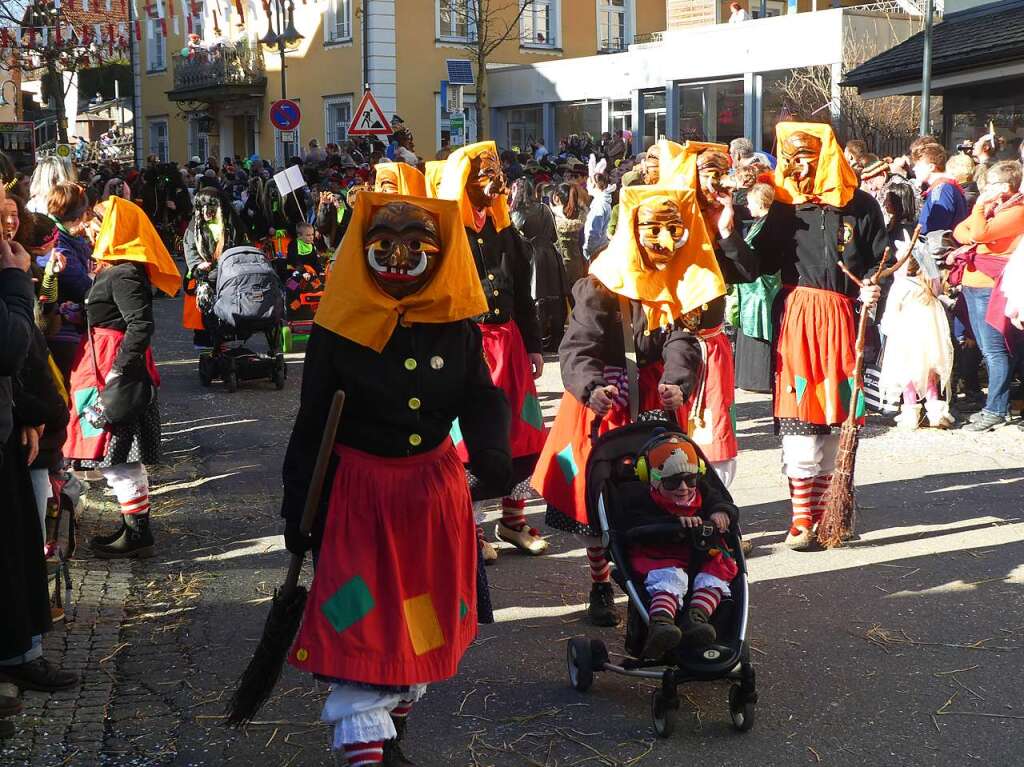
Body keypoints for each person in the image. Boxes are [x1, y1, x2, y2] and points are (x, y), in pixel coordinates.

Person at [281, 192, 511, 764]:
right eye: (385, 247)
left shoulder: (455, 325)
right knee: (360, 626)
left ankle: (391, 739)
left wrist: (491, 450)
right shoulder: (338, 327)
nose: (401, 258)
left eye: (417, 246)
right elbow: (312, 422)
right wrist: (297, 508)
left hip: (430, 496)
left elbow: (480, 398)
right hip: (359, 498)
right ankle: (365, 752)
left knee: (419, 619)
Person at [532, 185, 716, 626]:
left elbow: (681, 341)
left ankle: (654, 581)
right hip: (605, 405)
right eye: (656, 230)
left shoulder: (676, 283)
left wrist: (677, 382)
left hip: (654, 403)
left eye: (675, 230)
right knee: (600, 498)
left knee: (661, 492)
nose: (666, 242)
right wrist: (591, 386)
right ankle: (600, 584)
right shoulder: (599, 286)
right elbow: (577, 347)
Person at [745, 123, 886, 551]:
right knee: (801, 416)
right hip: (799, 319)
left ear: (826, 155)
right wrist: (729, 231)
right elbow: (753, 267)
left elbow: (880, 258)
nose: (797, 164)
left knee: (834, 420)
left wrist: (874, 285)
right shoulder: (785, 209)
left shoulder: (859, 205)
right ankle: (801, 519)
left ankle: (828, 515)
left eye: (805, 155)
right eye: (790, 157)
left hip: (844, 319)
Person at [436, 141, 549, 558]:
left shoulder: (506, 234)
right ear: (464, 183)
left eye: (497, 176)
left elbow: (522, 295)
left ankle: (513, 520)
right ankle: (472, 527)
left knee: (522, 435)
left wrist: (534, 345)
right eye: (486, 177)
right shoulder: (448, 233)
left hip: (511, 343)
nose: (496, 184)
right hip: (471, 345)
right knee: (471, 441)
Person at [63, 198, 180, 558]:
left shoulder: (124, 272)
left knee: (119, 452)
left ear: (115, 228)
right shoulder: (114, 268)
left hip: (113, 371)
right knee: (115, 451)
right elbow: (113, 316)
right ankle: (133, 528)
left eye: (96, 220)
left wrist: (120, 368)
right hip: (103, 363)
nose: (89, 226)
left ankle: (137, 533)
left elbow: (140, 325)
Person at [0, 223, 79, 700]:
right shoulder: (11, 269)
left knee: (17, 551)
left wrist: (25, 411)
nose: (6, 223)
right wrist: (15, 280)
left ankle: (19, 653)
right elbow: (11, 343)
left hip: (13, 424)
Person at [629, 433, 739, 657]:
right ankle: (661, 625)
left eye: (690, 479)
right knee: (670, 579)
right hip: (661, 555)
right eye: (672, 481)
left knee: (717, 574)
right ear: (654, 479)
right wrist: (673, 524)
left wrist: (721, 512)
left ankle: (696, 618)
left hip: (701, 554)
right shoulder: (643, 501)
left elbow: (723, 502)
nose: (683, 488)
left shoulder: (703, 492)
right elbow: (634, 529)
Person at [952, 160, 1024, 432]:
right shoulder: (997, 209)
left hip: (990, 288)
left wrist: (980, 209)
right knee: (988, 348)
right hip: (973, 284)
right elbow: (961, 231)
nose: (987, 188)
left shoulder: (1017, 210)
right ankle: (998, 404)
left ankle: (996, 409)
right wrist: (979, 234)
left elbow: (979, 231)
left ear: (1006, 186)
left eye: (992, 183)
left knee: (995, 350)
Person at [878, 241, 955, 429]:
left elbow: (891, 312)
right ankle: (936, 413)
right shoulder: (927, 287)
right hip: (929, 340)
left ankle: (911, 412)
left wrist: (887, 328)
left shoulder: (901, 286)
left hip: (906, 338)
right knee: (928, 374)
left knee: (908, 375)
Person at [42, 183, 95, 383]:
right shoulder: (58, 246)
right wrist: (91, 276)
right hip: (62, 331)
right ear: (75, 217)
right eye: (85, 216)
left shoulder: (66, 238)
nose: (86, 222)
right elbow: (85, 288)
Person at [510, 177, 569, 352]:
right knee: (554, 298)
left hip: (530, 257)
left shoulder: (517, 212)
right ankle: (555, 338)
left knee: (535, 298)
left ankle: (540, 338)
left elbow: (515, 238)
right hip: (550, 255)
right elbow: (553, 234)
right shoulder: (544, 208)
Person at [733, 182, 779, 394]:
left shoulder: (769, 224)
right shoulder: (760, 222)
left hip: (761, 288)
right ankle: (748, 377)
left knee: (760, 327)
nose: (748, 206)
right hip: (751, 288)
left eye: (751, 202)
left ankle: (760, 378)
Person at [913, 143, 968, 235]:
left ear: (931, 167)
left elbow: (937, 231)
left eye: (918, 165)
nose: (914, 169)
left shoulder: (942, 189)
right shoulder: (943, 187)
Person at [550, 182, 587, 287]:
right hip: (577, 263)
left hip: (562, 265)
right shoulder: (580, 214)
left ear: (557, 198)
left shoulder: (554, 218)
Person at [583, 172, 613, 261]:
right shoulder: (601, 202)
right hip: (600, 246)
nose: (586, 186)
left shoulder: (599, 205)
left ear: (594, 185)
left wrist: (587, 249)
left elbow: (594, 232)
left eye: (588, 183)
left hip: (597, 250)